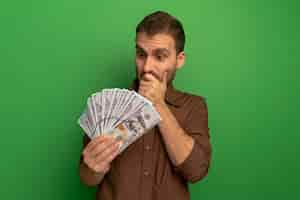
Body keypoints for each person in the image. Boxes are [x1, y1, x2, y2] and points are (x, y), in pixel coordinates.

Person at [79, 10, 212, 200]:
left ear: (179, 59)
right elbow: (87, 178)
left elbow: (196, 170)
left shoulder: (194, 106)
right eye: (141, 54)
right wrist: (93, 167)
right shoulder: (107, 107)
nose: (147, 67)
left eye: (160, 56)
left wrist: (158, 105)